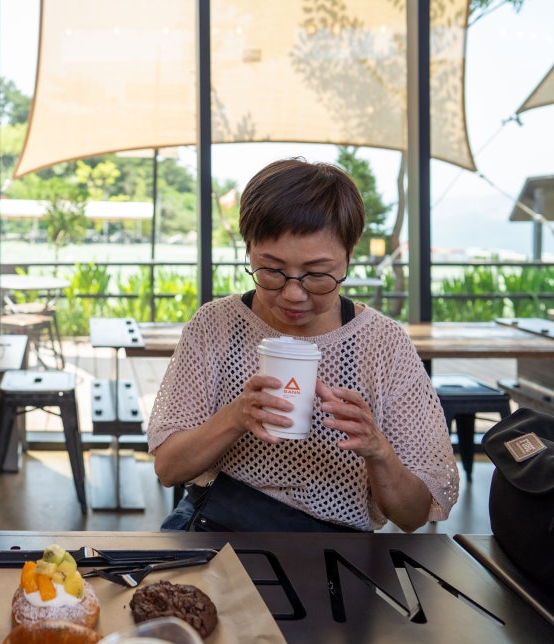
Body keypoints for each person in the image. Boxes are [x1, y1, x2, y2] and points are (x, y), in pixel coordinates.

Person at [151, 158, 459, 533]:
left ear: (350, 253)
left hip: (338, 548)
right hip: (217, 526)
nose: (293, 294)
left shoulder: (382, 343)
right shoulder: (216, 325)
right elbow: (168, 469)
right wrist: (237, 416)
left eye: (317, 274)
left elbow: (412, 517)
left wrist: (378, 450)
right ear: (248, 249)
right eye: (271, 270)